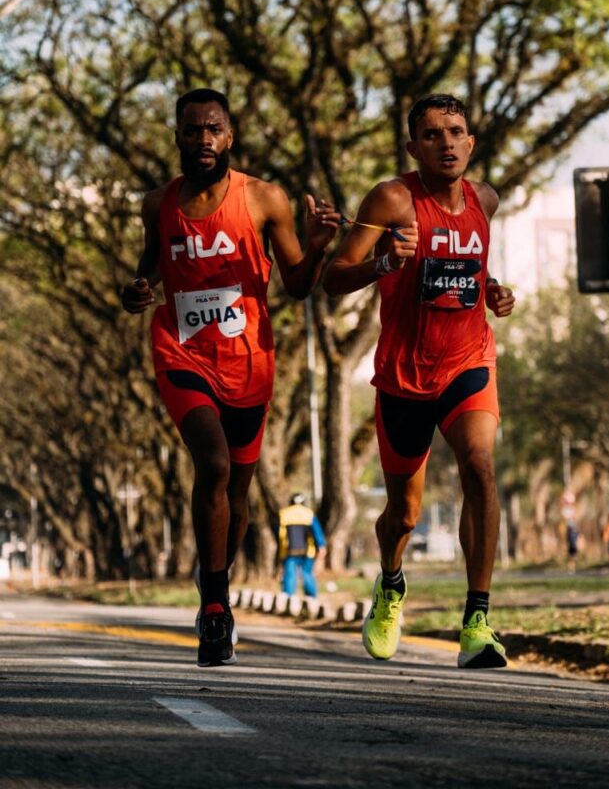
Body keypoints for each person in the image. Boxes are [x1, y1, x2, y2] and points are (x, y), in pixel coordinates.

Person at [121, 88, 339, 667]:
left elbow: (296, 283)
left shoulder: (265, 199)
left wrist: (317, 249)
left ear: (230, 134)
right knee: (212, 463)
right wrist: (137, 289)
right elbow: (150, 265)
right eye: (192, 130)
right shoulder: (156, 204)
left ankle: (216, 584)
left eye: (213, 129)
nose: (203, 140)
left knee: (237, 498)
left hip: (249, 363)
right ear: (177, 136)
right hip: (182, 353)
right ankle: (215, 607)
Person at [323, 92, 515, 669]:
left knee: (479, 467)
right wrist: (384, 262)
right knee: (404, 514)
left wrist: (493, 291)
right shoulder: (391, 198)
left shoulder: (486, 199)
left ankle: (477, 621)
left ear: (471, 142)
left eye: (456, 131)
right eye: (432, 134)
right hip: (405, 377)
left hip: (469, 362)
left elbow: (468, 269)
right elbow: (334, 277)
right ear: (414, 146)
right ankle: (390, 583)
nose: (446, 142)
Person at [277, 492, 327, 597]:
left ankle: (288, 597)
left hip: (289, 551)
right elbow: (317, 532)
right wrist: (321, 546)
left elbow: (279, 534)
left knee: (290, 574)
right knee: (307, 573)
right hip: (308, 551)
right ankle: (311, 597)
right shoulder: (309, 513)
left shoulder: (283, 514)